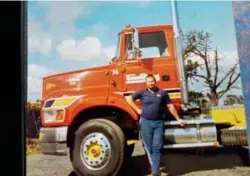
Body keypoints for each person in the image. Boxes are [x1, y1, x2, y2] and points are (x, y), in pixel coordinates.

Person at [125, 74, 187, 176]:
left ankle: (155, 171)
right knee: (149, 147)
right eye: (149, 81)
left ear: (155, 81)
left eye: (152, 81)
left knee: (157, 147)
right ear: (146, 82)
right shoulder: (142, 92)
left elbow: (170, 106)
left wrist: (178, 119)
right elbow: (128, 99)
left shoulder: (162, 93)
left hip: (159, 123)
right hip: (145, 122)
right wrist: (137, 109)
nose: (151, 83)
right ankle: (155, 166)